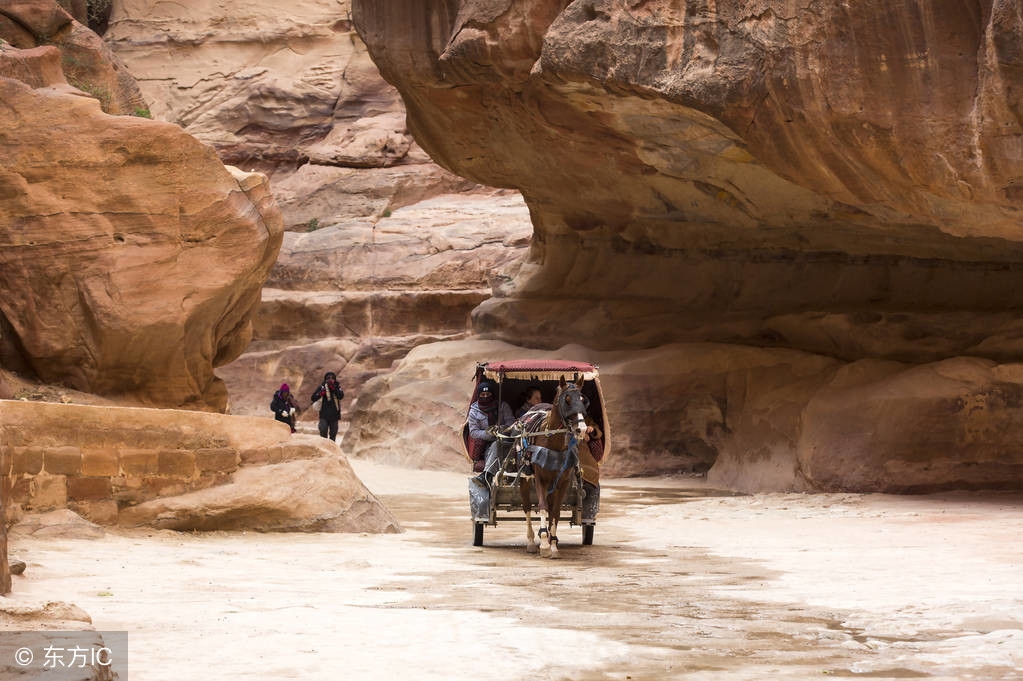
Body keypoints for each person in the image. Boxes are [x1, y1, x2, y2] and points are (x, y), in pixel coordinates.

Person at [467, 381, 514, 478]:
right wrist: (490, 433)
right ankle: (487, 476)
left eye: (488, 394)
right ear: (478, 395)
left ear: (492, 394)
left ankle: (485, 477)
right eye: (482, 394)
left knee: (499, 444)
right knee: (495, 445)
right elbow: (473, 432)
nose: (485, 396)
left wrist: (501, 429)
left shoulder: (502, 406)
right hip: (487, 445)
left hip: (506, 441)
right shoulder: (474, 411)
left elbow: (511, 423)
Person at [310, 371, 345, 441]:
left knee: (333, 434)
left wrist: (334, 389)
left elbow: (341, 396)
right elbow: (313, 398)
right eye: (328, 378)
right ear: (325, 379)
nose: (330, 380)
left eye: (332, 378)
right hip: (324, 415)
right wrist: (320, 393)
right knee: (323, 431)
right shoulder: (322, 387)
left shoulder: (337, 386)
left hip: (334, 415)